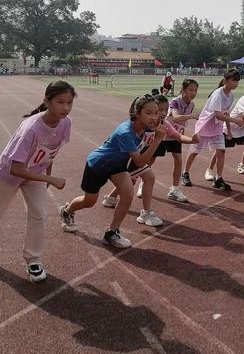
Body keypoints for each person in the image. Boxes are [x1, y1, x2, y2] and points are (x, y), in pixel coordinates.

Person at [59, 94, 166, 248]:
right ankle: (67, 211)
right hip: (98, 165)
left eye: (156, 113)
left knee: (128, 193)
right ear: (137, 114)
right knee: (89, 201)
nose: (154, 117)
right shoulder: (126, 133)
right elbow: (140, 161)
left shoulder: (144, 129)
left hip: (117, 166)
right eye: (149, 113)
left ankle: (112, 233)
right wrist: (157, 140)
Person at [0, 81, 75, 282]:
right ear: (46, 101)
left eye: (69, 102)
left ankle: (33, 259)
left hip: (36, 173)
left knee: (39, 215)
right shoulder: (31, 128)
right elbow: (16, 168)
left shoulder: (65, 123)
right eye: (60, 102)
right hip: (8, 174)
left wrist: (46, 176)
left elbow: (51, 153)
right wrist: (50, 178)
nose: (66, 108)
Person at [181, 69, 244, 191]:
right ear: (226, 80)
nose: (236, 83)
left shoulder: (231, 95)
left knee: (221, 151)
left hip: (217, 128)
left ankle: (219, 179)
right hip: (205, 127)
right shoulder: (217, 94)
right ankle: (185, 173)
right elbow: (218, 115)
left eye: (237, 81)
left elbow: (226, 113)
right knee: (195, 152)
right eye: (234, 80)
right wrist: (235, 121)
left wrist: (229, 130)